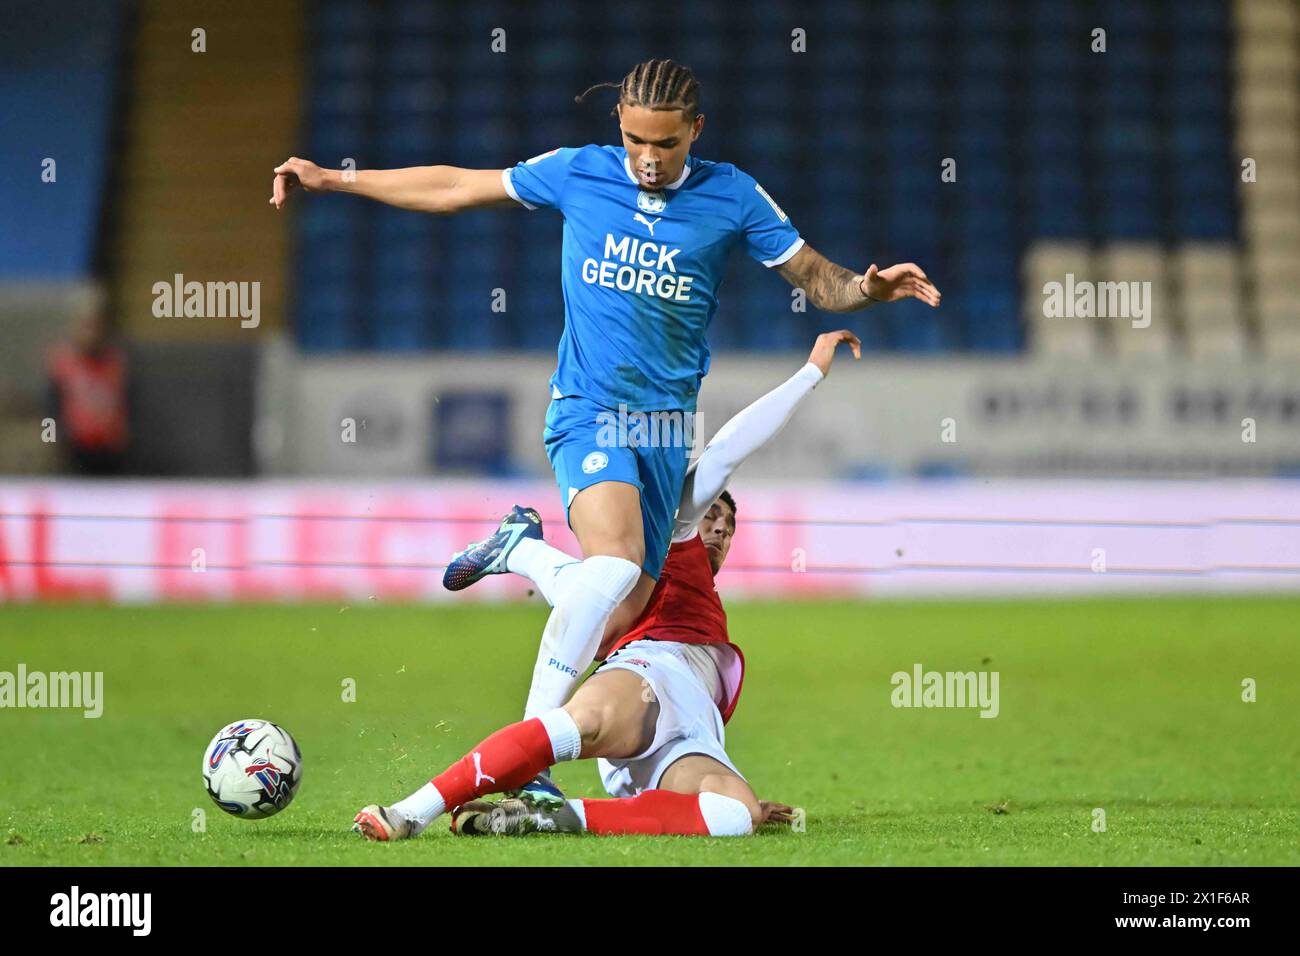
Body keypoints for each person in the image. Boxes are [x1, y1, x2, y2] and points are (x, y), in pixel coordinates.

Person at [274, 57, 938, 805]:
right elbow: (459, 185)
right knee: (619, 568)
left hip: (663, 429)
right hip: (588, 408)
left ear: (696, 130)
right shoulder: (578, 172)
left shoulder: (733, 196)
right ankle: (532, 763)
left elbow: (819, 279)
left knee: (619, 601)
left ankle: (520, 548)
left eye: (666, 144)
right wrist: (338, 179)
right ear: (618, 124)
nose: (649, 160)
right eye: (634, 142)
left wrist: (866, 289)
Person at [352, 331, 858, 840]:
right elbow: (729, 447)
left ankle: (553, 815)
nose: (722, 527)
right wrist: (810, 373)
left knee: (737, 815)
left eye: (730, 525)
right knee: (574, 723)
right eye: (715, 515)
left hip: (696, 727)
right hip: (647, 674)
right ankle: (410, 812)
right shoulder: (674, 521)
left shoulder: (673, 588)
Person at [46, 286, 129, 475]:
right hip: (74, 453)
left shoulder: (116, 363)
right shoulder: (61, 364)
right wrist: (50, 442)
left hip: (112, 455)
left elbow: (129, 408)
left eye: (94, 325)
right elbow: (50, 412)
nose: (89, 332)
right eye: (84, 325)